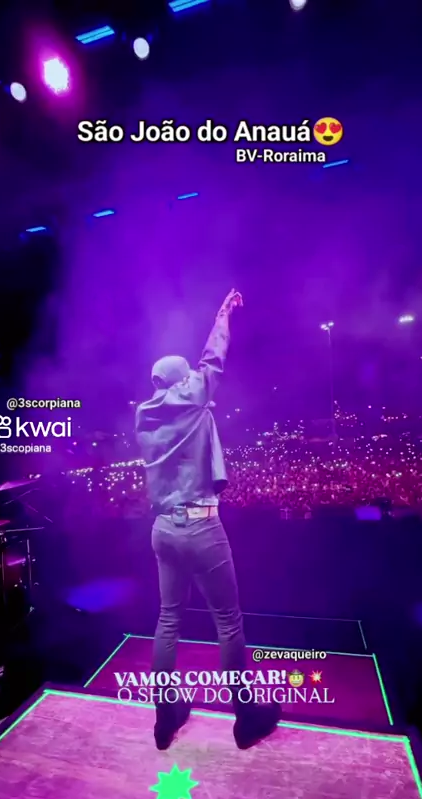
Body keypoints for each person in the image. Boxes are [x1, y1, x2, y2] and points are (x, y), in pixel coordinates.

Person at [136, 289, 280, 750]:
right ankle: (246, 717)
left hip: (163, 529)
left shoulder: (145, 417)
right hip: (200, 526)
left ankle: (165, 717)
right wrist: (223, 313)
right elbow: (213, 358)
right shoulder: (193, 398)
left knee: (168, 620)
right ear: (182, 382)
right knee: (228, 623)